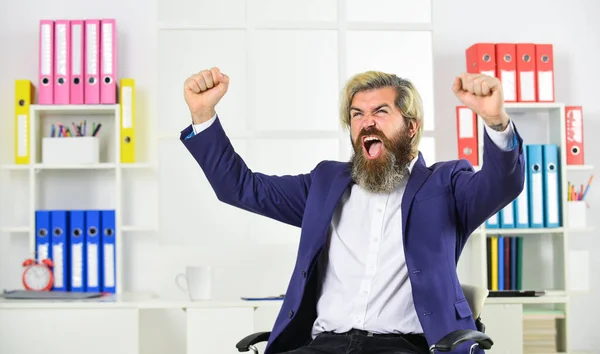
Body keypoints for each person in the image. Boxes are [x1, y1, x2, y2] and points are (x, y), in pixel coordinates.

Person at [179, 68, 525, 354]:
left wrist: (496, 123)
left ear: (411, 126)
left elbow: (502, 184)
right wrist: (203, 115)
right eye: (357, 114)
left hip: (405, 347)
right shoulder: (325, 183)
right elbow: (240, 188)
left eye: (380, 112)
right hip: (324, 345)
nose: (366, 123)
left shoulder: (446, 185)